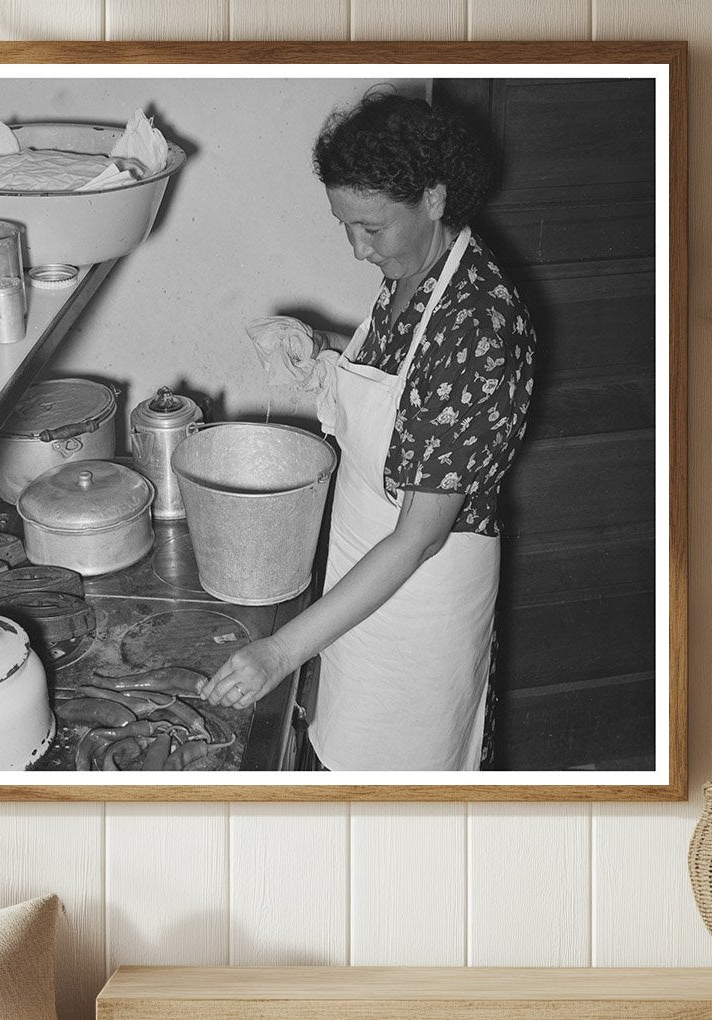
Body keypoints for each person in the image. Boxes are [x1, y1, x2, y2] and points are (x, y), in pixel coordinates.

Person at [200, 91, 536, 771]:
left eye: (371, 228)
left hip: (419, 602)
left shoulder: (478, 330)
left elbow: (420, 534)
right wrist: (323, 349)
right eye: (344, 226)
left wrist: (281, 650)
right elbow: (405, 388)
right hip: (362, 575)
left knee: (403, 787)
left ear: (435, 200)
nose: (356, 249)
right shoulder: (416, 273)